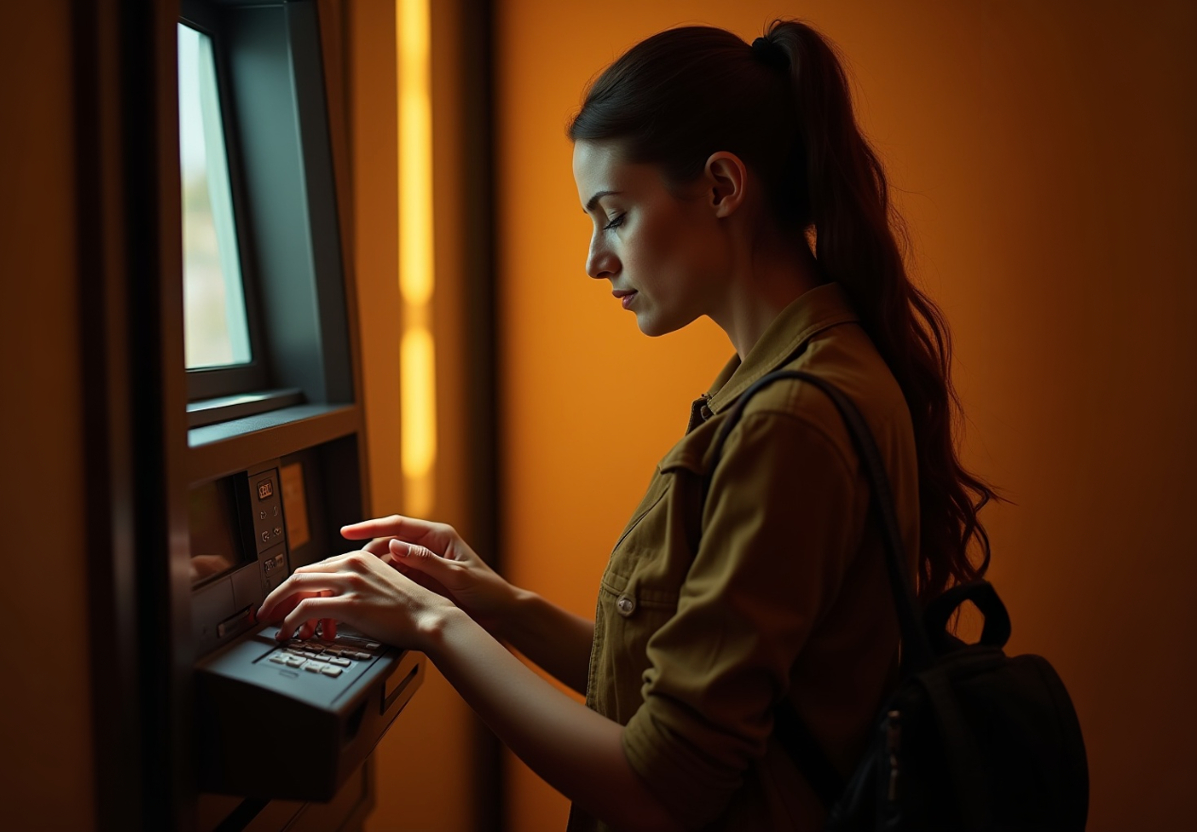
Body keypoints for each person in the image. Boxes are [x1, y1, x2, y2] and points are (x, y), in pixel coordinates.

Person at [257, 18, 994, 832]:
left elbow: (662, 788)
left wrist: (431, 625)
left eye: (613, 215)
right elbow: (672, 690)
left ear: (721, 188)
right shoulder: (797, 374)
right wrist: (491, 603)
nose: (594, 259)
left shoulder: (793, 417)